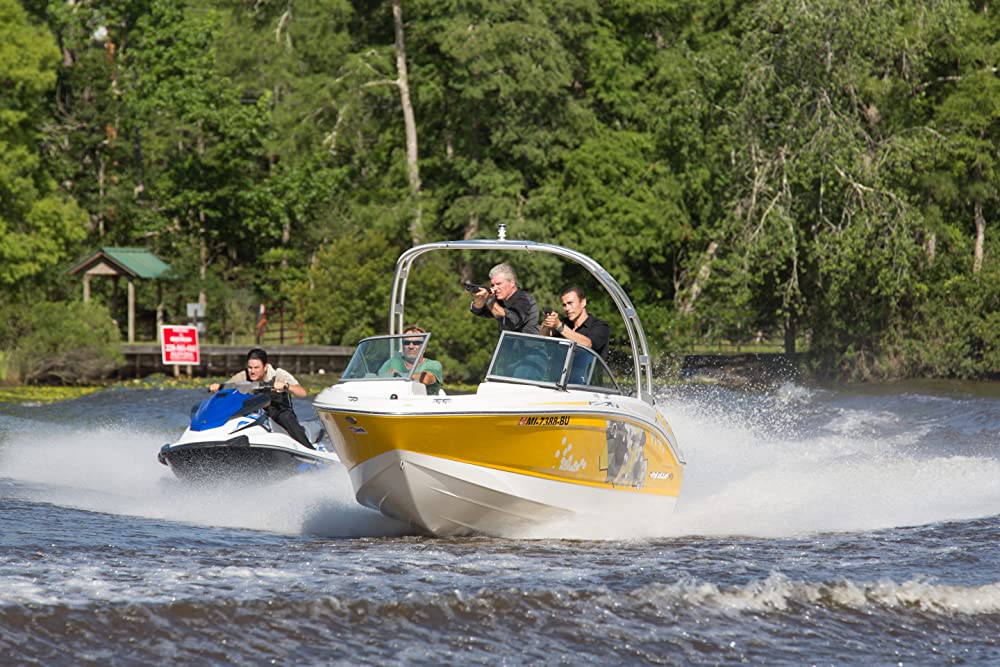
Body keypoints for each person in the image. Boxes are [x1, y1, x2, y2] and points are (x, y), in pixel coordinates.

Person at [208, 348, 314, 449]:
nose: (252, 371)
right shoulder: (243, 376)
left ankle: (310, 452)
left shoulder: (278, 374)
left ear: (265, 367)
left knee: (286, 417)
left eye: (256, 368)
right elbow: (228, 388)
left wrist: (286, 386)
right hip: (254, 411)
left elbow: (302, 393)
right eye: (250, 367)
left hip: (277, 412)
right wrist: (218, 387)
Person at [540, 285, 610, 360]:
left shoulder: (600, 326)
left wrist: (560, 326)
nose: (567, 308)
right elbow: (544, 337)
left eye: (570, 303)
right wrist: (547, 322)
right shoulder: (564, 323)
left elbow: (588, 344)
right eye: (564, 305)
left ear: (583, 302)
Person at [469, 262, 539, 335]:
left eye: (499, 284)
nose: (495, 288)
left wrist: (489, 300)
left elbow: (513, 321)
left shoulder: (524, 300)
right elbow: (477, 310)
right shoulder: (499, 301)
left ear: (512, 283)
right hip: (508, 344)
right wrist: (480, 298)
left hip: (529, 344)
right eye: (493, 285)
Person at [377, 326, 444, 395]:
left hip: (425, 404)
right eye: (406, 343)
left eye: (416, 343)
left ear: (424, 347)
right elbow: (377, 381)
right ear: (402, 346)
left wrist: (396, 375)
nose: (411, 346)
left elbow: (426, 379)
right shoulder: (392, 362)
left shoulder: (433, 364)